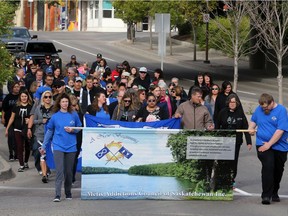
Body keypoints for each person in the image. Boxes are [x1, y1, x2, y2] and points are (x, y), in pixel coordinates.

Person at [40, 93, 82, 202]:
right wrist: (44, 145)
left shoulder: (74, 114)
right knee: (59, 171)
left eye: (66, 101)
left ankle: (68, 193)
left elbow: (79, 127)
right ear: (59, 103)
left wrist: (73, 130)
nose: (65, 103)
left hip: (71, 146)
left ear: (69, 103)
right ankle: (57, 194)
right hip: (58, 146)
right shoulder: (54, 117)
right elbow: (49, 131)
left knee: (68, 172)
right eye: (63, 101)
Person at [248, 93, 288, 205]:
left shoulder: (281, 111)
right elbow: (254, 120)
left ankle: (274, 192)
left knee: (278, 169)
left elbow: (280, 131)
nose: (264, 109)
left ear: (272, 102)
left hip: (279, 145)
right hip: (262, 143)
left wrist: (269, 144)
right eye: (262, 107)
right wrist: (251, 128)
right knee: (268, 166)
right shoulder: (259, 109)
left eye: (266, 107)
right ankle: (266, 195)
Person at [215, 94, 252, 185]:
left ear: (237, 103)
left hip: (236, 142)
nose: (232, 104)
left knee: (233, 161)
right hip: (224, 141)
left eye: (234, 102)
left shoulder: (240, 113)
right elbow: (217, 126)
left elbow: (245, 128)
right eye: (231, 102)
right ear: (228, 103)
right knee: (223, 161)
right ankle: (222, 178)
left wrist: (249, 142)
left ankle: (231, 179)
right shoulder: (222, 112)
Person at [5, 90, 33, 172]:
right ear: (20, 98)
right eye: (22, 96)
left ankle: (26, 162)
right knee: (19, 147)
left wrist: (30, 121)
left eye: (25, 96)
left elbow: (33, 117)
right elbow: (12, 118)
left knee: (27, 146)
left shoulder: (31, 107)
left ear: (28, 97)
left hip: (27, 129)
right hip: (17, 129)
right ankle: (21, 165)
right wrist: (7, 128)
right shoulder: (16, 106)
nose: (24, 98)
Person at [30, 90, 53, 183]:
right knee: (42, 153)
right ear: (43, 98)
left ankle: (48, 169)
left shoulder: (55, 109)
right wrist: (41, 121)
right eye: (45, 97)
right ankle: (44, 174)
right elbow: (33, 121)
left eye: (49, 97)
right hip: (40, 134)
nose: (47, 98)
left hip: (52, 135)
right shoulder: (38, 108)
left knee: (50, 154)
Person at [1, 81, 21, 160]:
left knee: (17, 137)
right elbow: (4, 109)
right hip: (9, 119)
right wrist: (2, 118)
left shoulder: (21, 96)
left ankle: (16, 154)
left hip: (18, 120)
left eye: (18, 87)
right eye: (15, 87)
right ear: (12, 88)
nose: (16, 88)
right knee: (10, 136)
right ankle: (11, 154)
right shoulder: (8, 97)